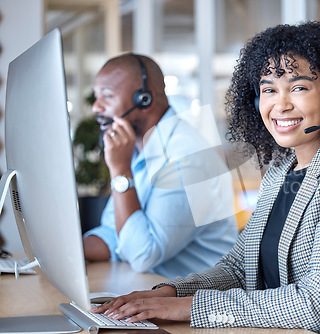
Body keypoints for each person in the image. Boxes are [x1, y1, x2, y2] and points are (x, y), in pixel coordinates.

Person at [91, 22, 320, 333]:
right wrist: (168, 293)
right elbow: (237, 268)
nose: (280, 104)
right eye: (268, 89)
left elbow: (319, 303)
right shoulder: (281, 173)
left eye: (299, 87)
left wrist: (190, 308)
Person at [83, 53, 238, 279]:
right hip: (150, 288)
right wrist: (59, 250)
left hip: (195, 302)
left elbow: (143, 254)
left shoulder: (187, 156)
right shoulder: (139, 151)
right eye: (97, 97)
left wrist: (120, 173)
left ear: (144, 99)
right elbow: (114, 234)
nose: (97, 107)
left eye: (107, 96)